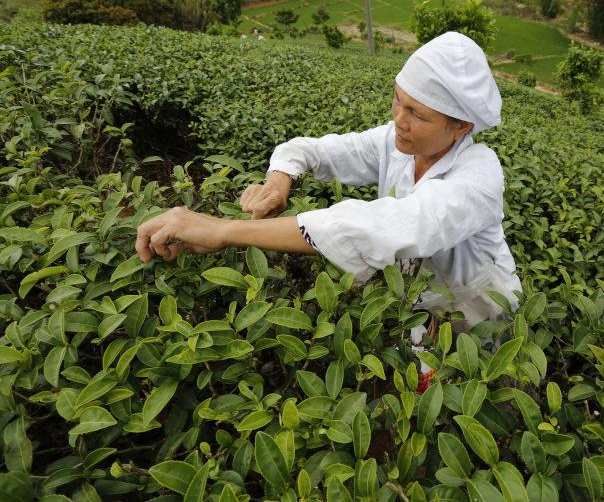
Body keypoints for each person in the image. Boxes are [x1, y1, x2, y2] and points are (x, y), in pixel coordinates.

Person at [135, 31, 521, 389]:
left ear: (461, 127)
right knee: (420, 390)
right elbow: (315, 150)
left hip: (478, 313)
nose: (398, 120)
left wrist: (222, 230)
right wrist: (278, 180)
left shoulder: (478, 176)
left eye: (418, 114)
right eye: (397, 101)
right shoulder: (396, 143)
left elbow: (384, 227)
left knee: (475, 394)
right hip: (418, 309)